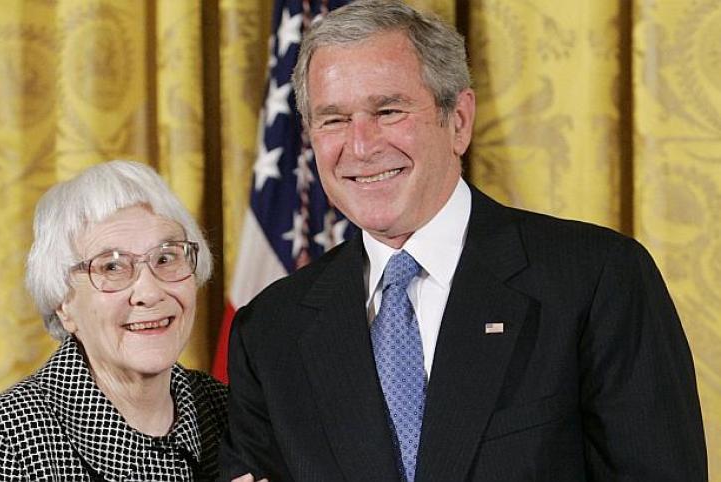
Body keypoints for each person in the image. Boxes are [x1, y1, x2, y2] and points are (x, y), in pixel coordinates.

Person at [218, 1, 707, 481]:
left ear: (459, 120)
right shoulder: (269, 331)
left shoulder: (597, 280)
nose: (361, 146)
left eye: (388, 111)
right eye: (333, 119)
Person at [0, 160, 228, 480]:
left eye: (165, 258)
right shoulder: (2, 444)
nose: (149, 293)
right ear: (64, 304)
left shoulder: (229, 412)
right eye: (111, 267)